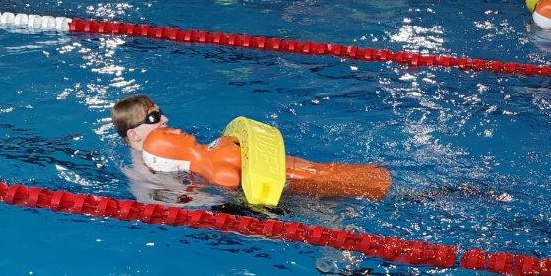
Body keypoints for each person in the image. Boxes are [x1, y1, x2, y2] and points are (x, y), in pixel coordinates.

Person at [112, 94, 391, 201]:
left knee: (319, 175)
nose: (165, 120)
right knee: (321, 190)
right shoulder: (142, 172)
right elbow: (187, 203)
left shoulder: (169, 146)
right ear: (134, 134)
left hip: (249, 174)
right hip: (246, 197)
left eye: (161, 113)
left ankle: (387, 186)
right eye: (154, 118)